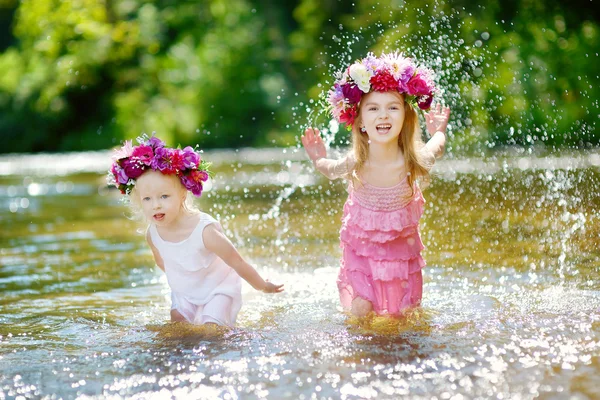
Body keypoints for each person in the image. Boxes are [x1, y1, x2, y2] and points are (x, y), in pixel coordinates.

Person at [301, 52, 450, 318]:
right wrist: (318, 158)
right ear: (360, 123)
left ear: (406, 116)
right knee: (362, 309)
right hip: (361, 251)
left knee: (405, 314)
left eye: (392, 107)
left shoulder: (413, 162)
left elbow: (435, 148)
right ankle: (359, 354)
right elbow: (330, 170)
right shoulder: (357, 162)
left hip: (401, 253)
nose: (384, 116)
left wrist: (439, 130)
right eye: (373, 108)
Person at [108, 134, 284, 327]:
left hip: (218, 287)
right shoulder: (153, 234)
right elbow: (162, 262)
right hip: (187, 290)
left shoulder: (204, 231)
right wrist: (184, 282)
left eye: (164, 196)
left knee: (212, 329)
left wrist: (262, 285)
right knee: (177, 324)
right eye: (147, 199)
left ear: (182, 195)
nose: (155, 205)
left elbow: (237, 261)